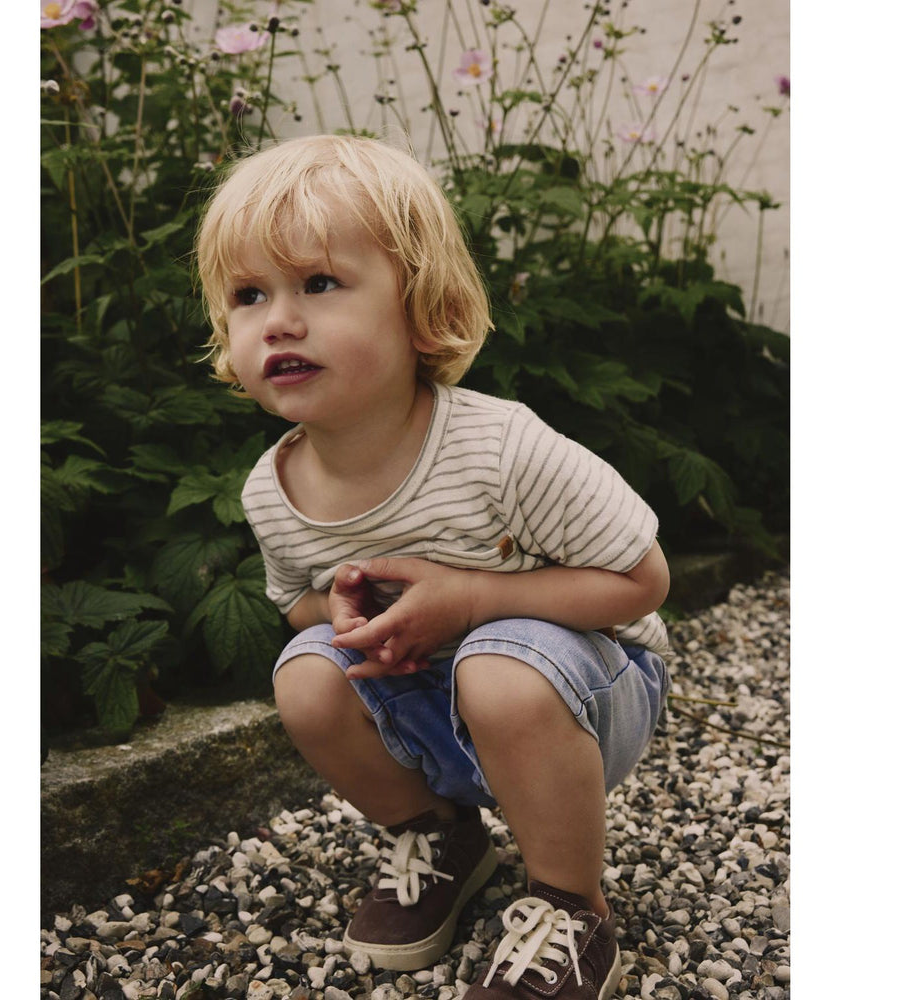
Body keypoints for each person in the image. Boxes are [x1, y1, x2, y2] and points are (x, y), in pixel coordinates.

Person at [196, 134, 671, 1000]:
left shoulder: (500, 447)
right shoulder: (274, 486)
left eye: (319, 283)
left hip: (589, 690)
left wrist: (475, 599)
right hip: (426, 689)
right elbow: (297, 604)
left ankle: (572, 903)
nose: (279, 320)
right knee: (305, 676)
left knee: (496, 668)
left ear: (421, 309)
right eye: (249, 295)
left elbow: (642, 583)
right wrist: (343, 613)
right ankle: (441, 833)